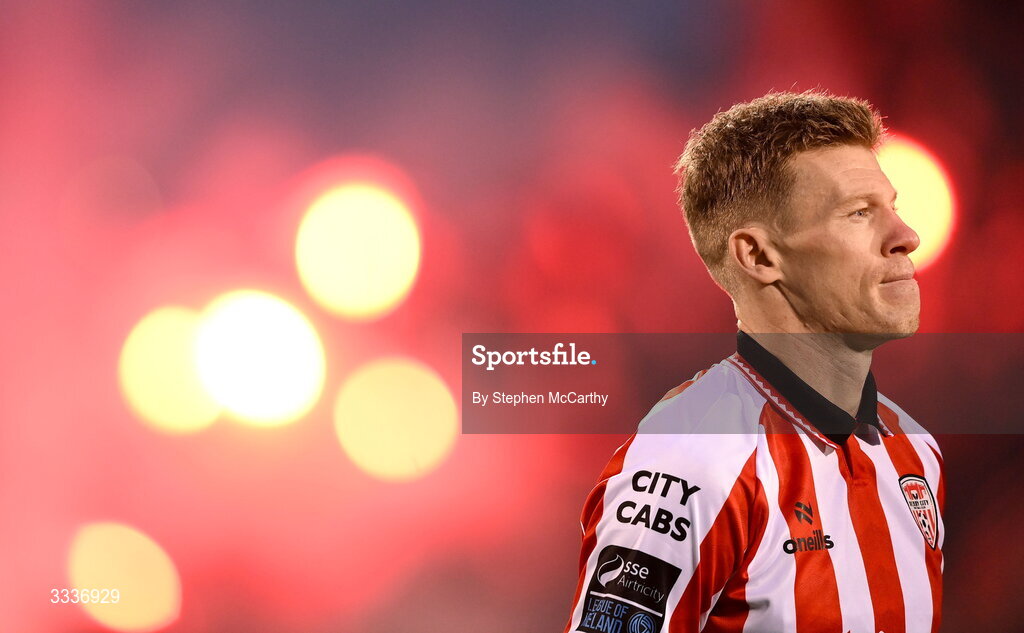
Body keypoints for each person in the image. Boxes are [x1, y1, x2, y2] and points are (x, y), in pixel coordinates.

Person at [564, 91, 944, 633]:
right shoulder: (688, 460)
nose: (907, 237)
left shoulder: (918, 450)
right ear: (759, 257)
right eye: (859, 213)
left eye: (892, 206)